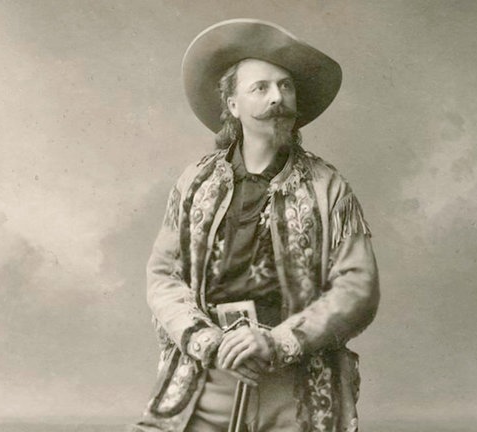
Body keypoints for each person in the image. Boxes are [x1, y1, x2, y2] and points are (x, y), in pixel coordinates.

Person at [133, 19, 380, 432]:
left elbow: (357, 288)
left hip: (297, 382)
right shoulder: (195, 183)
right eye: (260, 88)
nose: (277, 97)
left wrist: (277, 342)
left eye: (286, 86)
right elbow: (163, 276)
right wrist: (208, 342)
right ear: (232, 105)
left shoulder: (328, 187)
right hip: (207, 377)